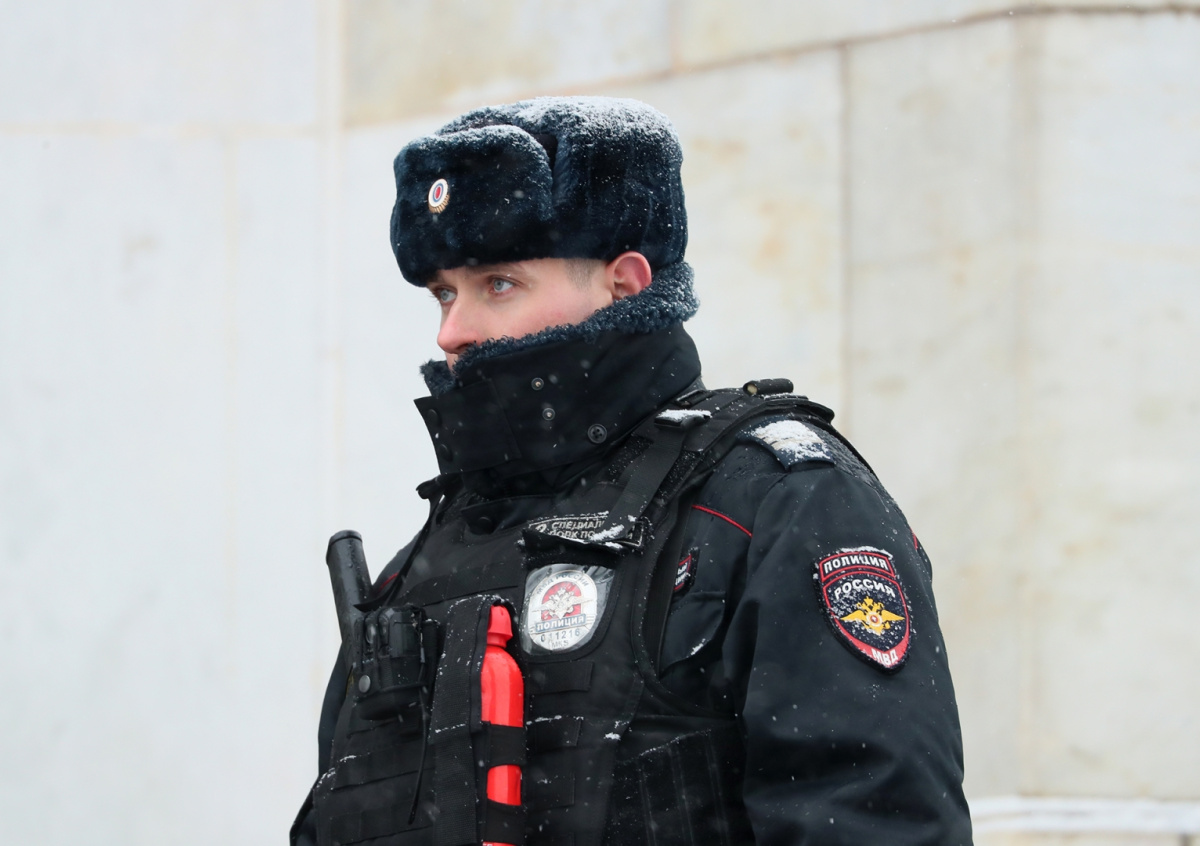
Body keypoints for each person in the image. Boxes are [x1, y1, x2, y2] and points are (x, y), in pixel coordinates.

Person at [292, 96, 973, 846]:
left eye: (499, 284)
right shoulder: (419, 567)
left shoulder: (775, 499)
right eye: (444, 294)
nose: (452, 331)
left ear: (625, 282)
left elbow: (874, 817)